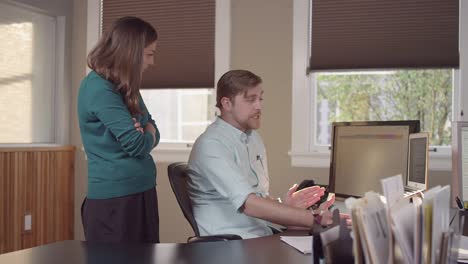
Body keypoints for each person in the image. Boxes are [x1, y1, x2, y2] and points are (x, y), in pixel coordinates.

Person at [187, 69, 337, 239]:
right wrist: (316, 219)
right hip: (232, 244)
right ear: (227, 104)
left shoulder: (253, 138)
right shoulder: (211, 145)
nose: (259, 105)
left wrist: (287, 206)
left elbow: (258, 197)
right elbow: (249, 204)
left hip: (261, 234)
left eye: (260, 98)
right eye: (251, 99)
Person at [78, 16, 160, 243]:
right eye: (149, 54)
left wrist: (147, 130)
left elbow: (154, 127)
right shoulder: (99, 88)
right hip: (115, 200)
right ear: (131, 52)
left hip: (141, 191)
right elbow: (136, 144)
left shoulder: (124, 85)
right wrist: (147, 131)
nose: (152, 62)